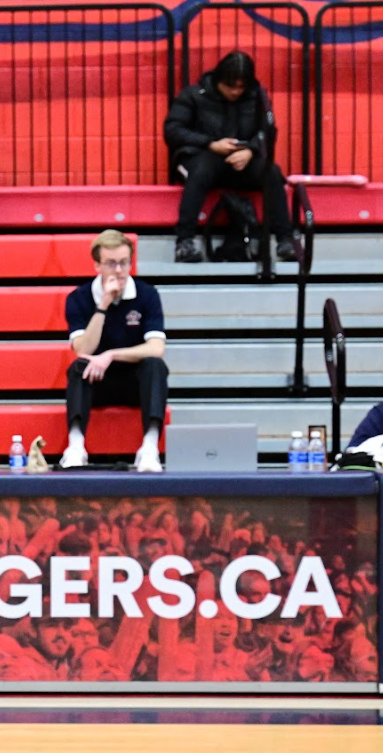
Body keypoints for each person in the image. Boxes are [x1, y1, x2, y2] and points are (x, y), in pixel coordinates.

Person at [163, 51, 296, 264]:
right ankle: (185, 241)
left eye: (241, 87)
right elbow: (173, 130)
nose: (236, 92)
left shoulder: (257, 97)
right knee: (202, 170)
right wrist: (210, 144)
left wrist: (251, 150)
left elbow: (268, 130)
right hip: (200, 158)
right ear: (218, 80)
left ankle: (285, 241)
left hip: (242, 160)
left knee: (271, 172)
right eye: (230, 86)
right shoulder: (193, 95)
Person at [60, 230, 168, 472]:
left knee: (155, 366)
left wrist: (110, 355)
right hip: (97, 383)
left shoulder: (147, 295)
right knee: (78, 368)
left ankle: (149, 447)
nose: (119, 270)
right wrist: (103, 305)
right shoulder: (78, 298)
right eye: (111, 263)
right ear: (97, 264)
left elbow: (156, 347)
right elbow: (83, 349)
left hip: (135, 383)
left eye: (124, 263)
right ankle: (76, 446)